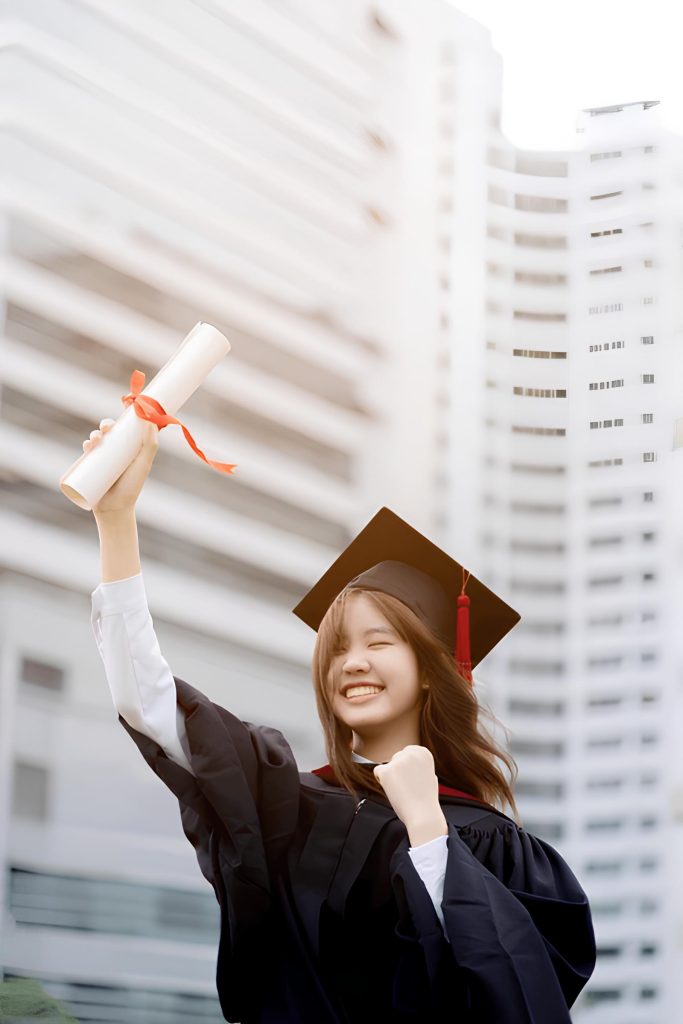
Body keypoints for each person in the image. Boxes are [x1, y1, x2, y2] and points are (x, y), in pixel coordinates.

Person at [86, 418, 596, 1023]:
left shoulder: (493, 844)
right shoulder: (287, 804)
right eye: (337, 649)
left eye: (379, 643)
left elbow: (514, 998)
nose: (353, 663)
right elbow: (153, 705)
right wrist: (116, 522)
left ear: (432, 668)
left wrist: (429, 830)